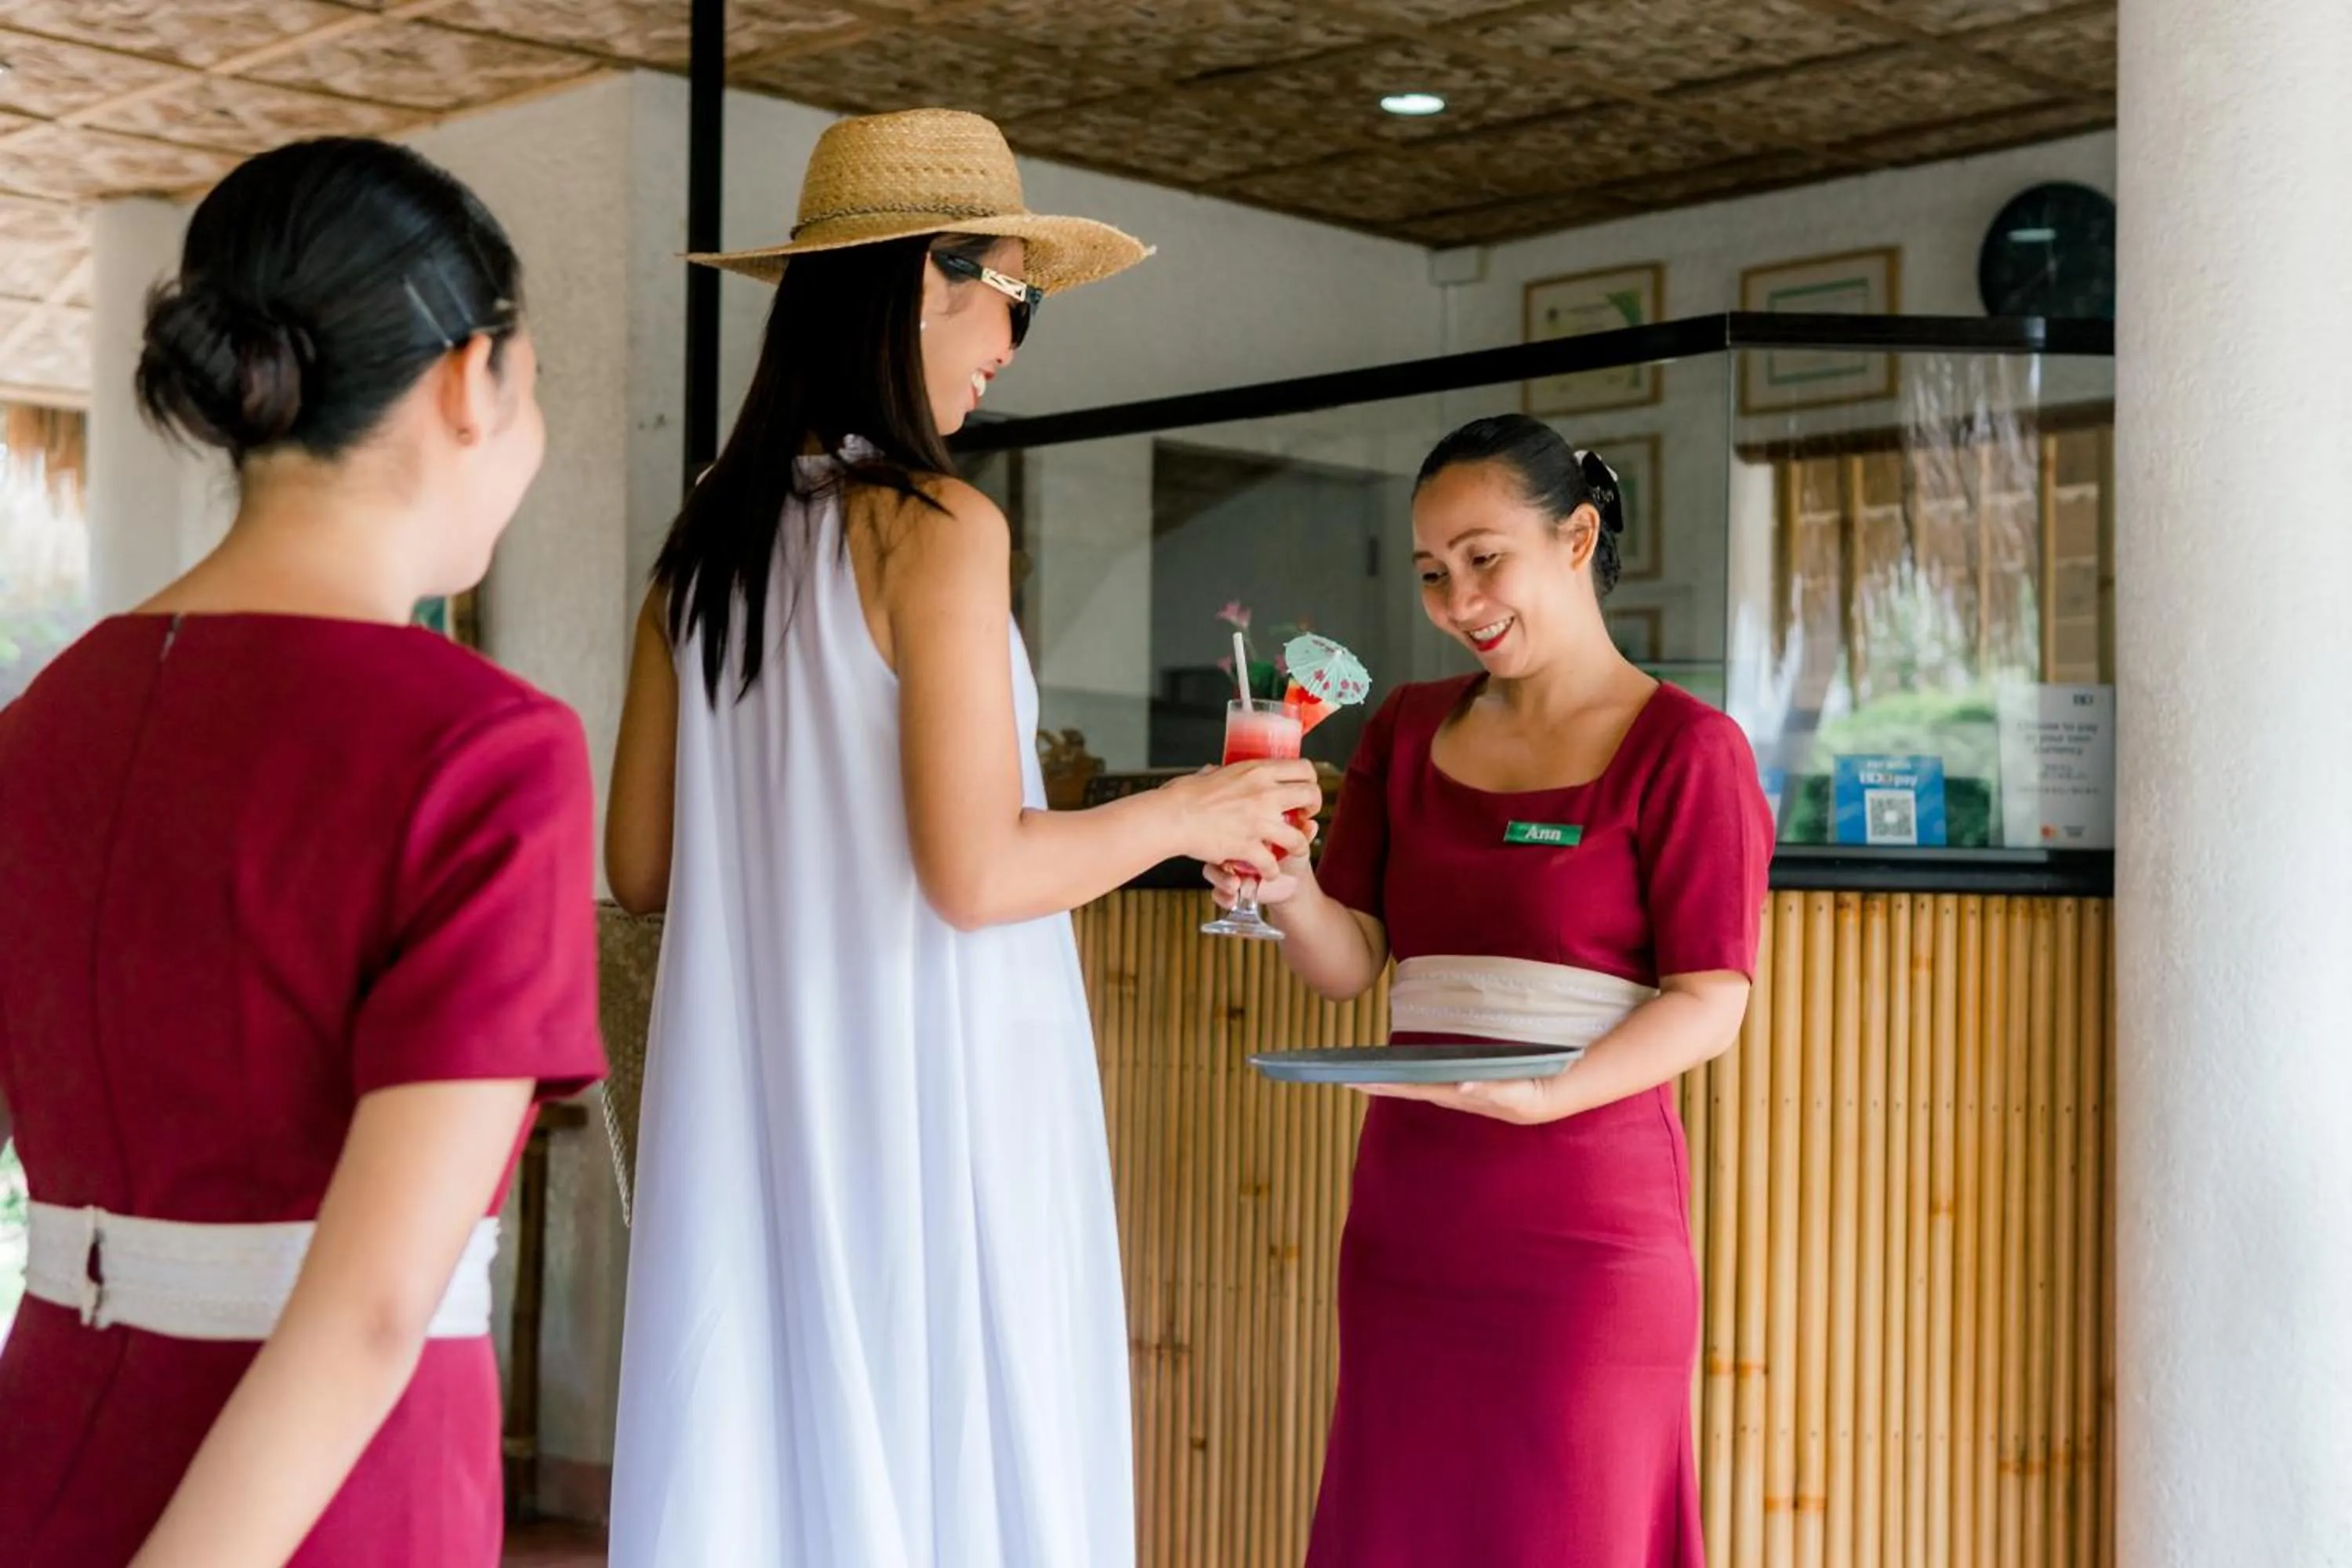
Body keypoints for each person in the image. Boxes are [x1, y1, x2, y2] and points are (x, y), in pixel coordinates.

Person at [603, 108, 1321, 1568]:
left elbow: (640, 868)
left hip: (755, 1108)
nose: (1012, 340)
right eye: (1017, 293)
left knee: (775, 1468)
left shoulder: (707, 543)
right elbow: (980, 875)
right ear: (930, 274)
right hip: (934, 1086)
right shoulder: (934, 524)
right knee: (974, 1470)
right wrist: (1197, 808)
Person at [0, 137, 604, 1566]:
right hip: (327, 1498)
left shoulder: (40, 720)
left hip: (48, 1436)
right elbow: (375, 1302)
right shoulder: (489, 748)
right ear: (474, 379)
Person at [1207, 415, 1773, 1566]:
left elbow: (1712, 996)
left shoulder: (1690, 749)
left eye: (1482, 557)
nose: (1459, 598)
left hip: (1588, 1230)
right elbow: (1353, 965)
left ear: (1575, 538)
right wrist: (1288, 885)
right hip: (1413, 1216)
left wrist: (1549, 1099)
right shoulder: (1407, 732)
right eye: (1429, 572)